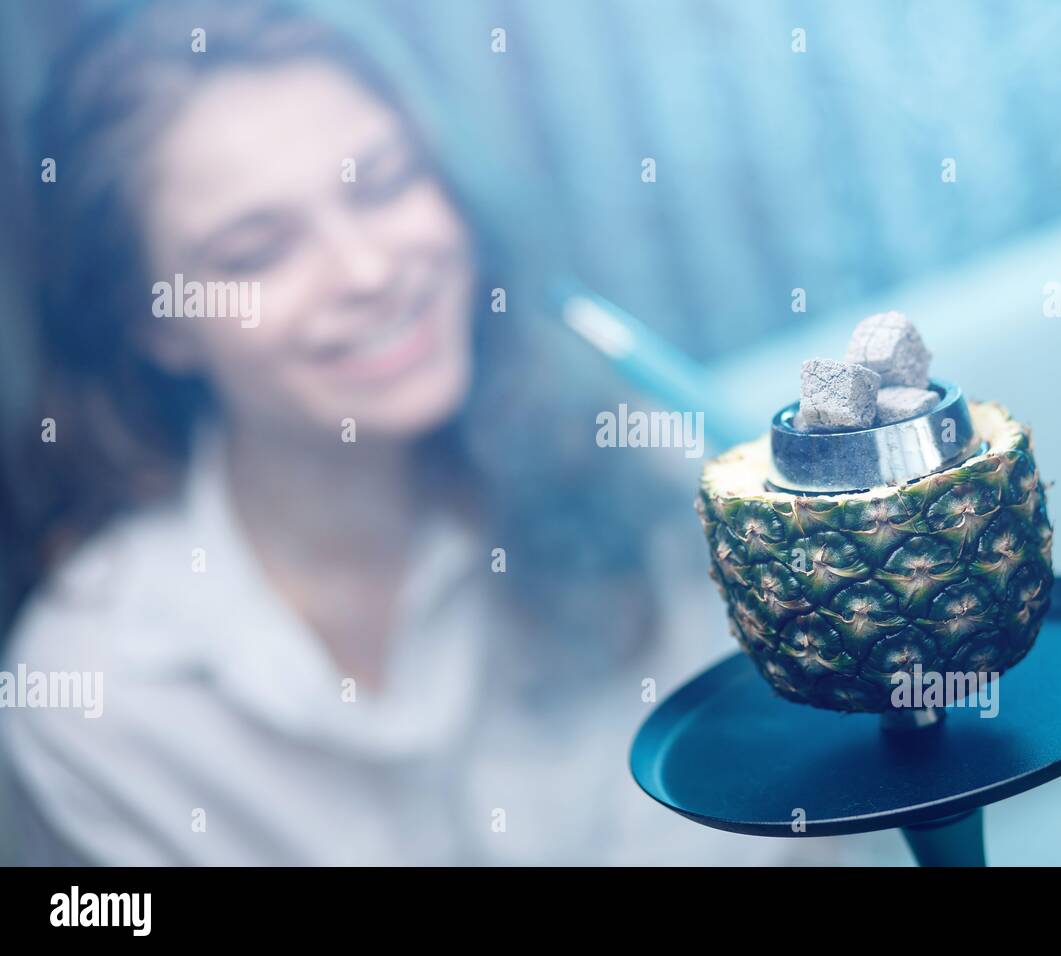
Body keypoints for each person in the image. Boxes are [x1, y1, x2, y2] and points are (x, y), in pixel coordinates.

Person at [0, 0, 840, 865]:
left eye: (387, 182)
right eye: (257, 253)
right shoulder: (94, 699)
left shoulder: (649, 466)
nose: (365, 271)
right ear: (155, 324)